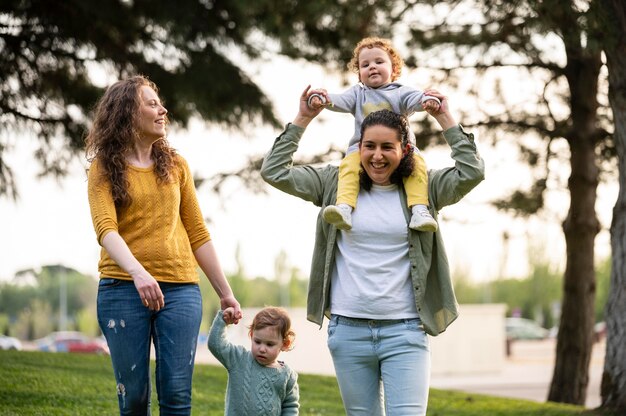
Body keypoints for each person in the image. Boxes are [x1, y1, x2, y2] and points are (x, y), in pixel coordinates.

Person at [260, 86, 485, 415]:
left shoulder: (427, 189)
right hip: (348, 332)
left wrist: (445, 118)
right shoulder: (334, 184)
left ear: (405, 149)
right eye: (369, 146)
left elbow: (472, 172)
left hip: (405, 331)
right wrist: (303, 119)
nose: (377, 156)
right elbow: (274, 171)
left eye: (387, 147)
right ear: (358, 147)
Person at [86, 75, 242, 415]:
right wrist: (139, 273)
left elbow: (197, 232)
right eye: (152, 103)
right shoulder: (103, 168)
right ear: (128, 112)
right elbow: (105, 229)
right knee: (135, 398)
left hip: (181, 290)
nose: (163, 109)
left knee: (176, 396)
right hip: (122, 288)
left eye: (160, 103)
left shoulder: (176, 166)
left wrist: (225, 292)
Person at [307, 36, 441, 232]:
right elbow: (340, 100)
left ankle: (419, 210)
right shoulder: (358, 94)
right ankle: (344, 207)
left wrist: (427, 100)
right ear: (359, 73)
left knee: (417, 167)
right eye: (365, 64)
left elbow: (415, 99)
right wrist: (324, 98)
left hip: (401, 150)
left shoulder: (399, 93)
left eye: (379, 62)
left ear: (394, 69)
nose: (372, 67)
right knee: (348, 167)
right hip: (363, 150)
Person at [208, 306, 300, 415]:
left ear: (285, 344)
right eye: (257, 342)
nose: (262, 349)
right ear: (251, 335)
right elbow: (216, 345)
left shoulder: (287, 376)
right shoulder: (239, 360)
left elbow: (290, 407)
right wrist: (223, 321)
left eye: (269, 344)